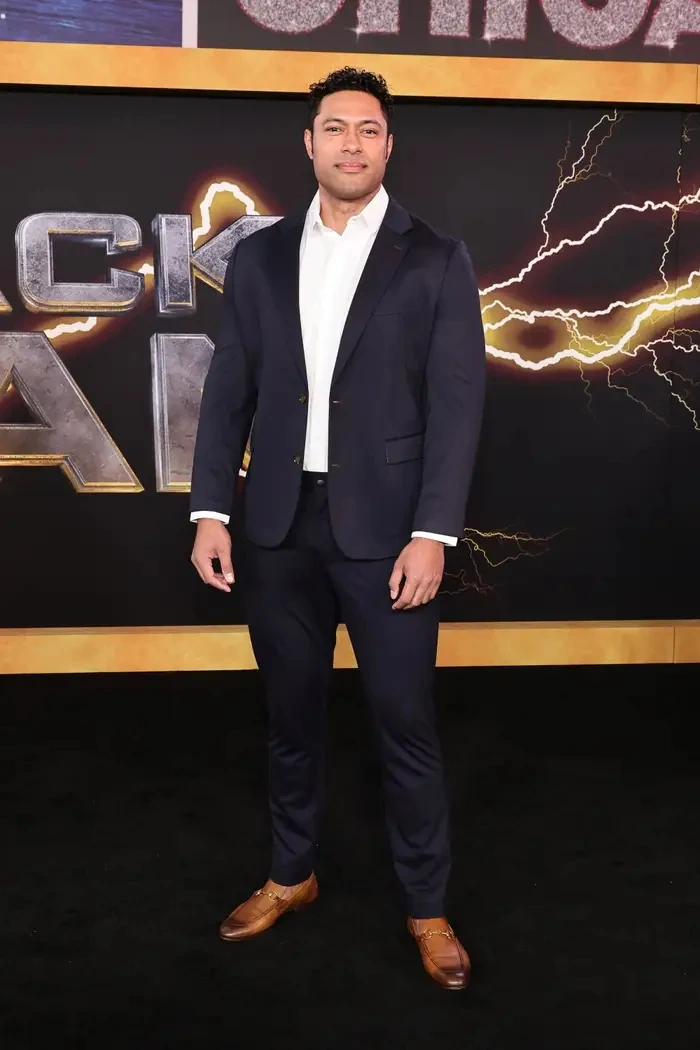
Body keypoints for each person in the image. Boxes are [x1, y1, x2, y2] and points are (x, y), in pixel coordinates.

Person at [189, 67, 486, 991]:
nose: (350, 143)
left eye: (367, 129)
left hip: (390, 533)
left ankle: (427, 908)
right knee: (291, 715)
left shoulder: (435, 258)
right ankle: (292, 874)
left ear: (388, 146)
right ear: (309, 143)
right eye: (334, 128)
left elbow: (457, 408)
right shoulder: (260, 257)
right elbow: (229, 390)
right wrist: (210, 510)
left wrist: (434, 533)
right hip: (277, 525)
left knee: (404, 723)